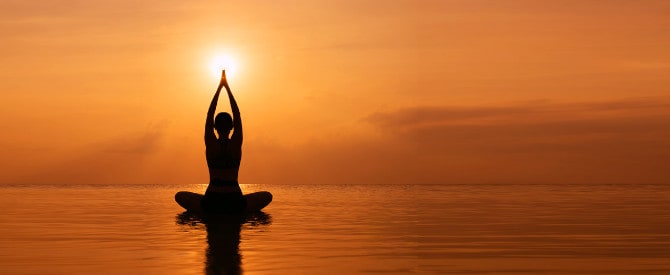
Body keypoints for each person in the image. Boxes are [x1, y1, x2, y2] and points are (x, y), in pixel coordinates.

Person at [200, 70, 246, 213]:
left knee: (180, 196)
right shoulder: (235, 144)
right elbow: (237, 115)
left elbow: (209, 115)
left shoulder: (212, 144)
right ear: (231, 127)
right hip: (235, 199)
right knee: (266, 196)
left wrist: (220, 88)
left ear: (215, 127)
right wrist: (227, 88)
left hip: (212, 199)